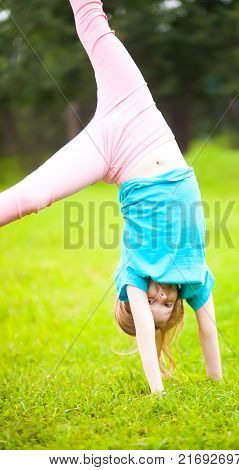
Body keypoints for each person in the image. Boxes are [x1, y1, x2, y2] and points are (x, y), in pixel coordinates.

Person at [0, 1, 222, 394]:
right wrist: (216, 381)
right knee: (93, 22)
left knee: (33, 197)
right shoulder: (194, 276)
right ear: (176, 309)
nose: (160, 299)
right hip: (136, 108)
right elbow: (209, 327)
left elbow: (144, 345)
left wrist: (157, 392)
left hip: (110, 155)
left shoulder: (136, 276)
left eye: (150, 304)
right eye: (165, 308)